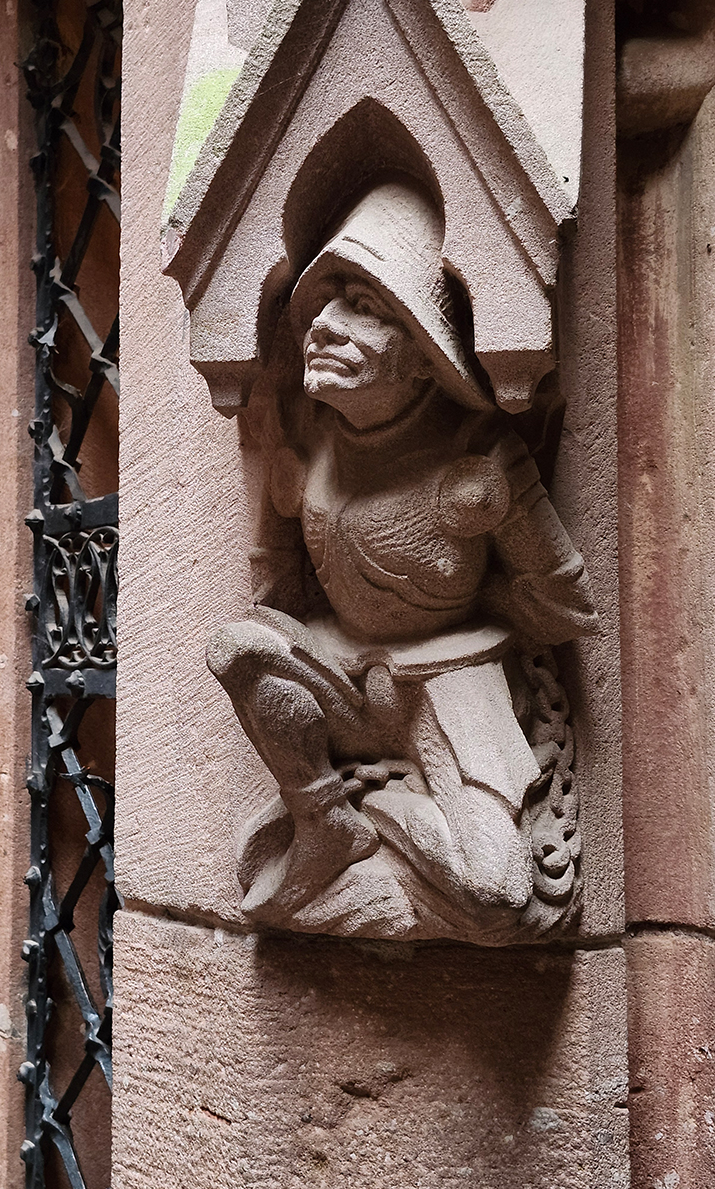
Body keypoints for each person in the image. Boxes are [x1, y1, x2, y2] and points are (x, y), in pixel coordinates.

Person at [207, 177, 597, 941]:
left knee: (497, 894)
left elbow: (564, 608)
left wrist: (503, 529)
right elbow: (273, 588)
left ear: (423, 357)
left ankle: (375, 811)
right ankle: (327, 825)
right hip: (344, 673)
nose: (323, 324)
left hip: (452, 687)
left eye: (366, 308)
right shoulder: (310, 445)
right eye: (326, 303)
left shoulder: (478, 460)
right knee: (238, 647)